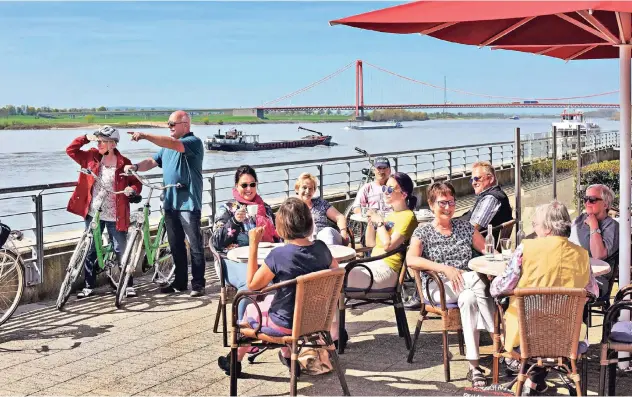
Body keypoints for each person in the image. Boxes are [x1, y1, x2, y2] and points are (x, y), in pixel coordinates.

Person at [217, 197, 338, 377]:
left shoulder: (279, 255)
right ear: (309, 222)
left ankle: (235, 360)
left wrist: (254, 245)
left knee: (250, 309)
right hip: (316, 322)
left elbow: (252, 286)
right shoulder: (322, 248)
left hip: (286, 324)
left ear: (282, 226)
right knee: (270, 302)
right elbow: (335, 274)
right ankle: (289, 356)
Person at [491, 200, 598, 395]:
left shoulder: (526, 249)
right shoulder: (582, 255)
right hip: (567, 338)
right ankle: (535, 383)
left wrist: (493, 285)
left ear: (548, 228)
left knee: (506, 305)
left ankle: (531, 381)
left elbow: (502, 287)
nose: (534, 228)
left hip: (524, 336)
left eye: (535, 224)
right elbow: (593, 292)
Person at [406, 181, 492, 388]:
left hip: (465, 287)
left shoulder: (464, 226)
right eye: (442, 203)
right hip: (439, 287)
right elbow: (411, 260)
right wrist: (445, 268)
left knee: (470, 299)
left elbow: (488, 251)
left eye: (451, 202)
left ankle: (474, 366)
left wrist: (499, 261)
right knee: (476, 280)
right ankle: (498, 335)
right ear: (432, 204)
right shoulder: (423, 231)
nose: (448, 207)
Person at [125, 110, 206, 297]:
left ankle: (198, 284)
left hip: (188, 203)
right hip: (170, 201)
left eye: (172, 124)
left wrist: (145, 135)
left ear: (185, 125)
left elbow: (173, 143)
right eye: (167, 124)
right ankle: (179, 282)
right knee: (175, 244)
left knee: (194, 245)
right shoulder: (166, 147)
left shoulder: (192, 142)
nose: (169, 127)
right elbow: (152, 161)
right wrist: (135, 167)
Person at [66, 126, 142, 298]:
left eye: (102, 141)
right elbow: (70, 150)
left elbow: (136, 183)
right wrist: (86, 137)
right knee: (90, 248)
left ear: (113, 144)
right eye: (98, 140)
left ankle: (127, 284)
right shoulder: (90, 157)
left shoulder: (124, 163)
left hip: (116, 214)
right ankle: (88, 285)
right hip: (94, 212)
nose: (99, 143)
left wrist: (132, 189)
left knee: (120, 249)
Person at [212, 165, 278, 319]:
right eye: (244, 185)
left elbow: (276, 237)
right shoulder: (227, 209)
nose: (249, 189)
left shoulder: (265, 209)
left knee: (287, 278)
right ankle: (242, 327)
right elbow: (216, 241)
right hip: (229, 260)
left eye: (252, 184)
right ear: (236, 186)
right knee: (250, 284)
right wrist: (234, 221)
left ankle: (272, 322)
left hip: (262, 259)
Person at [346, 172, 417, 291]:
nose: (385, 191)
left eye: (390, 189)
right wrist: (371, 223)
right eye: (384, 187)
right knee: (332, 273)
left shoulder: (408, 217)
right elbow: (370, 243)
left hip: (387, 269)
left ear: (404, 194)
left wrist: (379, 222)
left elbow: (388, 246)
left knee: (336, 276)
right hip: (373, 264)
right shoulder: (391, 215)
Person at [569, 184, 619, 299]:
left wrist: (594, 225)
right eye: (585, 199)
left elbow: (598, 255)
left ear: (605, 204)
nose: (587, 203)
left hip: (596, 281)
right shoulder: (580, 220)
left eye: (592, 200)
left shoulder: (612, 226)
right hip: (573, 275)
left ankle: (578, 317)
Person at [294, 172, 348, 245]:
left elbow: (340, 217)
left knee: (327, 232)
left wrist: (343, 232)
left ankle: (327, 255)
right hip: (306, 242)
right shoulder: (293, 207)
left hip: (326, 237)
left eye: (310, 189)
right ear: (297, 189)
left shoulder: (320, 203)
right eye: (304, 187)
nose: (307, 191)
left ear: (314, 191)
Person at [460, 161, 513, 233]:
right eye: (472, 180)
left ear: (491, 178)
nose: (473, 183)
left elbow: (472, 229)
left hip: (478, 242)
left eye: (477, 178)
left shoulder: (491, 198)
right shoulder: (488, 196)